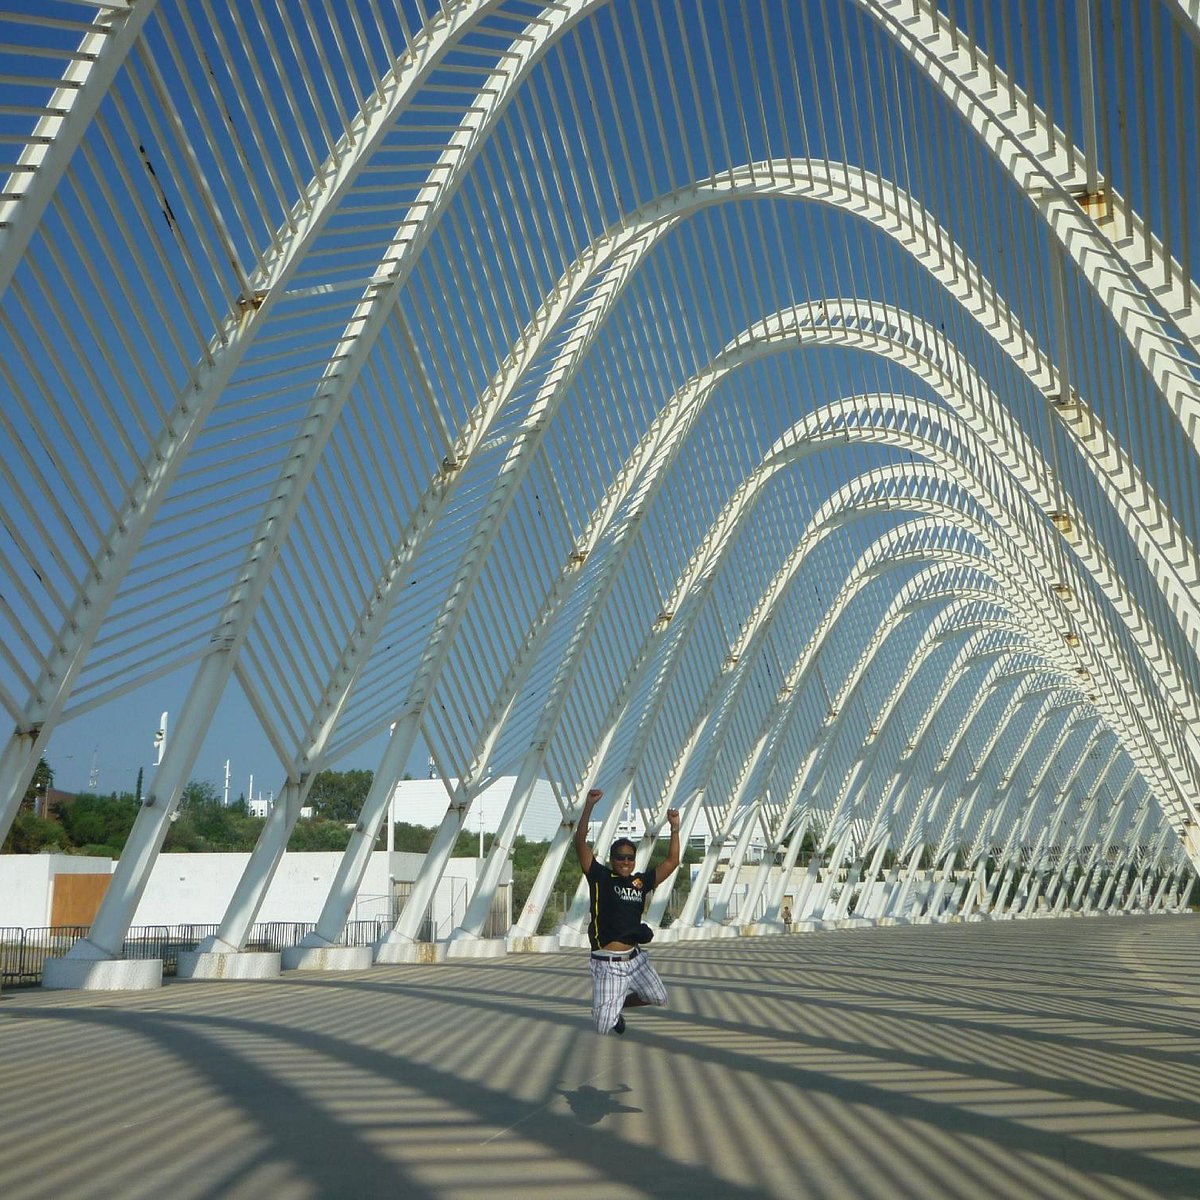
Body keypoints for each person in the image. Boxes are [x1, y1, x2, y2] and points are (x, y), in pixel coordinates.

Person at [574, 786, 681, 1035]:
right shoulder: (599, 877)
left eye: (630, 858)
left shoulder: (641, 883)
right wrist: (589, 806)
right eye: (620, 857)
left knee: (658, 997)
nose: (625, 862)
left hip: (636, 958)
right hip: (607, 963)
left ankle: (617, 1003)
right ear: (612, 858)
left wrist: (674, 828)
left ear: (634, 860)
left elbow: (672, 862)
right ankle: (609, 1011)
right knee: (602, 1027)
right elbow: (579, 842)